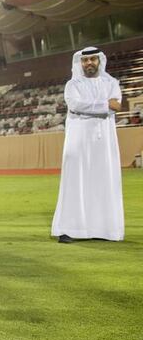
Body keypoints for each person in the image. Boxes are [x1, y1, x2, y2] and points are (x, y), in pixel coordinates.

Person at [52, 47, 124, 243]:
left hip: (105, 142)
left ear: (99, 61)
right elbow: (76, 105)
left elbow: (117, 105)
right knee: (75, 182)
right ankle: (68, 229)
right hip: (78, 139)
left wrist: (99, 106)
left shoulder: (112, 83)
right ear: (80, 63)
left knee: (104, 181)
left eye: (93, 59)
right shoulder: (72, 84)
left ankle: (104, 230)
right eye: (85, 60)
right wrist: (105, 105)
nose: (89, 63)